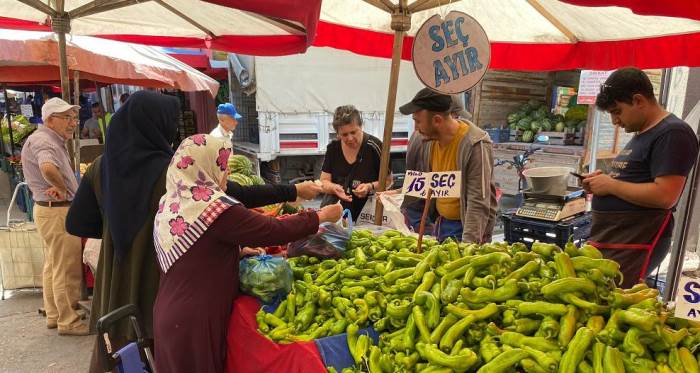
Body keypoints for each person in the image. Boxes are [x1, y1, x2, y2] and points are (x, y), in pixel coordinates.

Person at [66, 90, 322, 372]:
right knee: (166, 353)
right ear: (156, 125)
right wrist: (292, 191)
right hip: (163, 277)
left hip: (116, 281)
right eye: (170, 123)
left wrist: (118, 230)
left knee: (119, 354)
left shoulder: (101, 167)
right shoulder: (173, 171)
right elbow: (231, 195)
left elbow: (76, 224)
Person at [152, 134, 343, 373]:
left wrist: (237, 252)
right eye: (222, 165)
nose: (226, 174)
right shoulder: (214, 209)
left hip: (170, 312)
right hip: (196, 320)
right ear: (207, 165)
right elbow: (273, 230)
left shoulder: (174, 201)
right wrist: (321, 216)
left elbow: (196, 251)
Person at [582, 67, 699, 288]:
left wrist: (611, 185)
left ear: (638, 100)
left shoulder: (673, 133)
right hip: (615, 237)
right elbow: (633, 179)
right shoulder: (645, 133)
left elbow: (666, 196)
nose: (615, 120)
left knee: (608, 301)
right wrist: (601, 182)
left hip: (635, 241)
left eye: (617, 111)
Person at [20, 98, 87, 336]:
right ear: (50, 120)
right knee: (65, 267)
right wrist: (61, 186)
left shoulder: (46, 139)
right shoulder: (44, 140)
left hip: (49, 210)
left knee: (53, 265)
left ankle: (54, 314)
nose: (72, 123)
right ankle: (68, 320)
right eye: (66, 117)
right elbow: (47, 167)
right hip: (57, 210)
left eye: (73, 117)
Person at [399, 88, 497, 243]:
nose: (416, 128)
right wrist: (394, 195)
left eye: (418, 121)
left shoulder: (475, 145)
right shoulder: (426, 140)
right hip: (440, 222)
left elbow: (478, 202)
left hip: (465, 227)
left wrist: (468, 247)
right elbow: (427, 183)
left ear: (437, 120)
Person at [320, 105, 391, 221]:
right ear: (337, 133)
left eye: (353, 132)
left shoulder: (374, 146)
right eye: (344, 135)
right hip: (338, 215)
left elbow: (388, 180)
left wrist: (369, 186)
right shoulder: (333, 148)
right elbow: (324, 181)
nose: (350, 138)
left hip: (367, 215)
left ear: (361, 126)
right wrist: (334, 188)